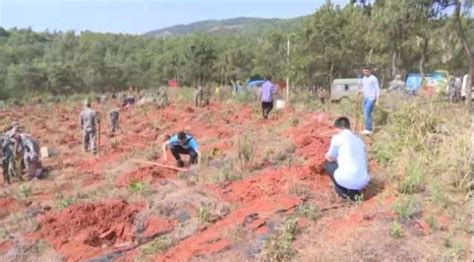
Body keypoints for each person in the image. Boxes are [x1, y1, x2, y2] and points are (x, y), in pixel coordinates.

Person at [324, 117, 370, 201]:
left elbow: (329, 157)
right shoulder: (359, 140)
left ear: (337, 128)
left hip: (346, 178)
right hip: (363, 180)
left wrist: (337, 160)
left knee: (328, 164)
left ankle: (342, 192)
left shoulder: (337, 138)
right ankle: (354, 192)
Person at [359, 65, 380, 135]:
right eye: (364, 71)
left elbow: (377, 89)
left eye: (367, 71)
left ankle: (368, 129)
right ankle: (369, 128)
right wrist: (361, 91)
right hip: (365, 98)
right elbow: (365, 88)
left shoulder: (373, 78)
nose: (365, 72)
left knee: (367, 113)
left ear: (370, 71)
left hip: (371, 98)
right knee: (366, 113)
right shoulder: (364, 78)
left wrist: (377, 100)